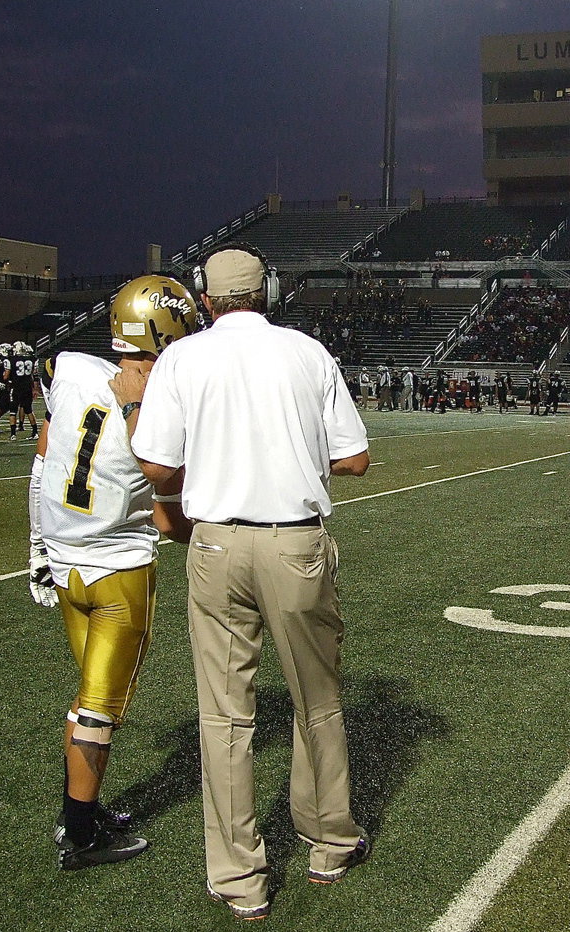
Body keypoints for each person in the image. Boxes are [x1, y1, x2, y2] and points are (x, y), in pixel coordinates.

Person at [114, 245, 371, 921]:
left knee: (225, 715)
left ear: (205, 298)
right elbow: (354, 459)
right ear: (269, 292)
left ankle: (239, 878)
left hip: (216, 541)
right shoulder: (308, 354)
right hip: (294, 542)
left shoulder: (181, 359)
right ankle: (327, 842)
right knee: (316, 699)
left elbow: (159, 471)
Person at [31, 274, 198, 871]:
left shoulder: (73, 371)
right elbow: (168, 510)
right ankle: (79, 830)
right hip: (117, 573)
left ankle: (86, 806)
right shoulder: (153, 404)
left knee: (87, 702)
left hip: (65, 565)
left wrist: (38, 543)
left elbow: (46, 451)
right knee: (100, 707)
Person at [9, 340, 39, 440]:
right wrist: (35, 389)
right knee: (29, 410)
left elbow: (7, 374)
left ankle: (13, 434)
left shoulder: (12, 359)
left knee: (13, 411)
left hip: (16, 387)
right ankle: (35, 432)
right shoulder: (32, 358)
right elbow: (34, 375)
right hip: (27, 387)